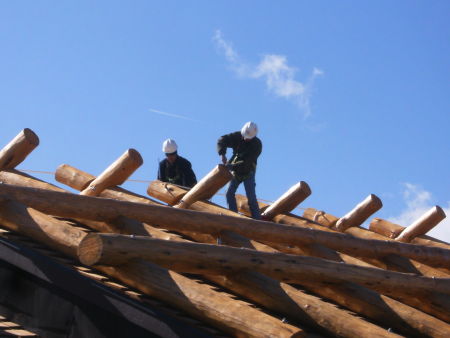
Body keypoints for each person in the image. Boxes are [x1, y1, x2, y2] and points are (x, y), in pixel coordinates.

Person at [217, 121, 262, 219]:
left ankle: (258, 220)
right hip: (235, 170)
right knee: (229, 192)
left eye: (248, 138)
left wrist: (231, 166)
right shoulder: (237, 136)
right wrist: (222, 154)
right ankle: (233, 216)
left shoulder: (257, 145)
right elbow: (222, 140)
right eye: (245, 136)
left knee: (251, 199)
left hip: (248, 171)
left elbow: (246, 163)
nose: (246, 139)